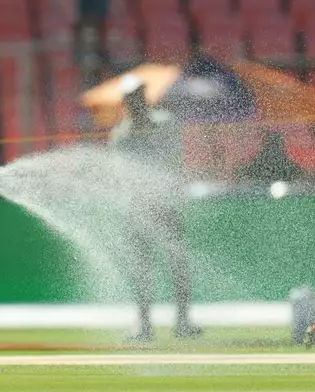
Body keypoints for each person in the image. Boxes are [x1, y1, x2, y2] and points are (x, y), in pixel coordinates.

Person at [108, 74, 202, 342]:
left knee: (178, 265)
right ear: (126, 101)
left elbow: (171, 160)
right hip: (138, 208)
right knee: (141, 269)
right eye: (131, 97)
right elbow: (122, 174)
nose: (136, 100)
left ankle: (183, 322)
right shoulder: (121, 135)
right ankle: (144, 325)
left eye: (139, 94)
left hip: (167, 205)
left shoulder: (165, 124)